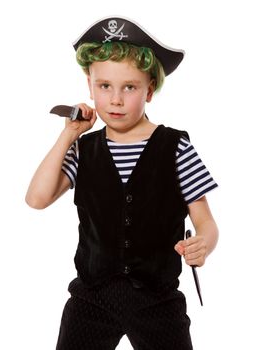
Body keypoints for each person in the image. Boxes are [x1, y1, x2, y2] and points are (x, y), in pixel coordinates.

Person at [25, 16, 219, 350]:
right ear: (90, 86)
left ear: (149, 89)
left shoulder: (175, 147)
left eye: (129, 87)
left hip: (158, 299)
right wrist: (68, 135)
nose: (115, 99)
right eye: (105, 87)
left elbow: (206, 221)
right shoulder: (83, 150)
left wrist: (204, 243)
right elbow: (36, 198)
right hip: (92, 298)